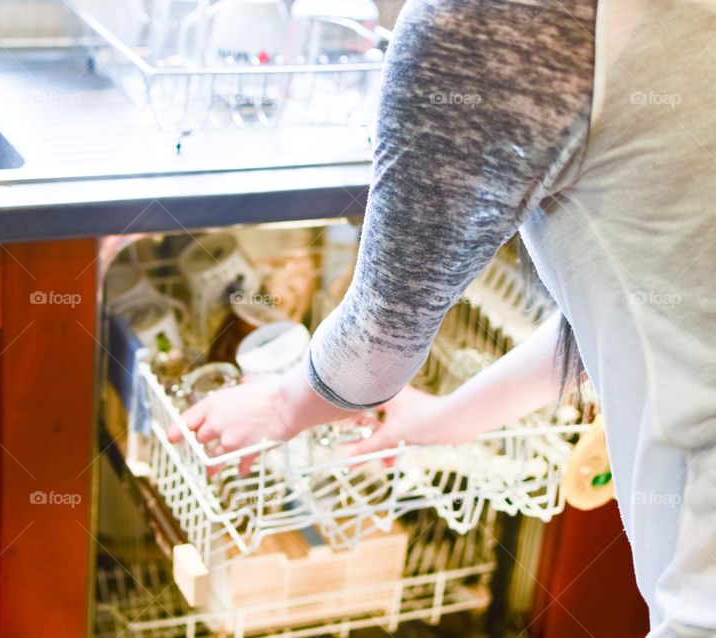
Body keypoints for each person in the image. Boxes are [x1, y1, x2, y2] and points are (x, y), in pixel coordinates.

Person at [167, 0, 716, 635]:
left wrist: (284, 407)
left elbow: (380, 339)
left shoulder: (482, 20)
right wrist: (443, 420)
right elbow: (633, 303)